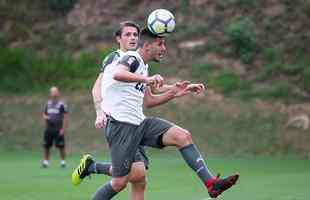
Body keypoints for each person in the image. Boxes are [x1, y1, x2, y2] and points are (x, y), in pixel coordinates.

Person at [91, 27, 239, 200]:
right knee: (119, 183)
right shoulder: (132, 58)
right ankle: (92, 167)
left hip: (139, 124)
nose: (164, 48)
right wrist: (147, 80)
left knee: (182, 136)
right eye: (160, 44)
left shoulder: (143, 67)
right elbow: (118, 73)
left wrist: (174, 93)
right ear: (147, 46)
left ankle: (211, 184)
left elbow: (149, 101)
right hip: (121, 127)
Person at [72, 21, 190, 200]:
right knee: (126, 178)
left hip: (136, 122)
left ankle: (92, 167)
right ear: (118, 39)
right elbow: (97, 87)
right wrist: (99, 112)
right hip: (119, 122)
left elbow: (150, 96)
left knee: (139, 178)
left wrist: (174, 89)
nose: (133, 38)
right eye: (127, 34)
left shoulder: (140, 63)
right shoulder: (115, 58)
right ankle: (93, 167)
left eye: (135, 34)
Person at [42, 86, 68, 168]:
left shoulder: (62, 104)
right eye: (52, 92)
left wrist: (63, 129)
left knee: (61, 146)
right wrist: (45, 117)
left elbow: (65, 117)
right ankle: (46, 162)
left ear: (58, 93)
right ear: (50, 94)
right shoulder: (48, 104)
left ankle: (63, 162)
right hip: (49, 128)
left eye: (55, 91)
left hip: (58, 128)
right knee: (46, 145)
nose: (54, 93)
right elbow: (44, 113)